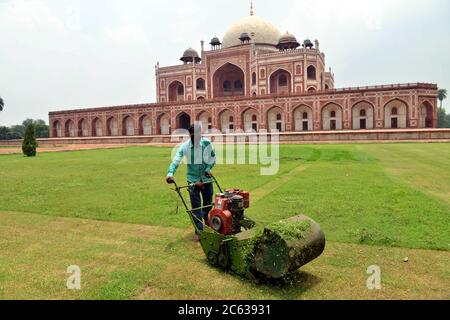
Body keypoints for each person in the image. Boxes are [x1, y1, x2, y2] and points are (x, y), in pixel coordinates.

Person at [166, 125, 216, 242]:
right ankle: (198, 231)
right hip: (193, 180)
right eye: (194, 135)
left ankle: (207, 221)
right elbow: (176, 160)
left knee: (208, 204)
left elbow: (213, 158)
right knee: (196, 207)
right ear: (190, 135)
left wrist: (208, 168)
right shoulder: (185, 147)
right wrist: (170, 173)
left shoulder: (207, 144)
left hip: (206, 179)